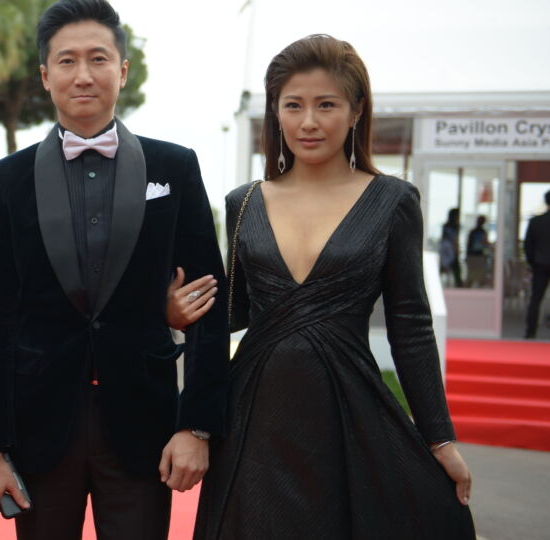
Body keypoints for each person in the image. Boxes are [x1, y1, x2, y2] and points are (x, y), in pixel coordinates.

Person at [193, 34, 475, 539]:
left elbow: (410, 327)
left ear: (356, 110)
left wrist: (440, 439)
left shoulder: (393, 201)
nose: (308, 121)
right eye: (293, 105)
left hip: (348, 410)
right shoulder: (244, 202)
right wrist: (176, 315)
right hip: (254, 413)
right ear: (275, 113)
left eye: (326, 104)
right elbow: (228, 318)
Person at [0, 1, 229, 538]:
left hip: (143, 424)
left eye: (98, 58)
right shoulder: (4, 181)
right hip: (39, 426)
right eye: (66, 61)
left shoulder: (175, 168)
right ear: (45, 75)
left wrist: (197, 426)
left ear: (123, 70)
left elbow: (208, 301)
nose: (83, 75)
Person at [525, 190, 550, 338]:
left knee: (535, 299)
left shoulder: (536, 221)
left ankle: (530, 332)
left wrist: (532, 262)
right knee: (535, 299)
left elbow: (528, 245)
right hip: (539, 263)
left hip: (539, 264)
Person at [441, 207, 465, 287]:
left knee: (446, 268)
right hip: (450, 250)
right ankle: (458, 284)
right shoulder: (455, 226)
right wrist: (456, 249)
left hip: (445, 249)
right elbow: (454, 239)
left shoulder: (446, 226)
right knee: (455, 268)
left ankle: (449, 284)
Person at [466, 215, 490, 287]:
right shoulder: (478, 232)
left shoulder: (476, 232)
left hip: (477, 255)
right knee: (474, 275)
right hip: (475, 255)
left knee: (477, 275)